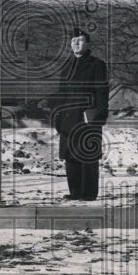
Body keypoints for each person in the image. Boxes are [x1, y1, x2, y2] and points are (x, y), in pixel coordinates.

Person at [49, 28, 109, 201]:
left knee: (87, 155)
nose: (76, 43)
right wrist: (57, 117)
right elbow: (61, 94)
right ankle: (75, 192)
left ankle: (89, 194)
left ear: (88, 44)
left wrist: (98, 116)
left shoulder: (97, 65)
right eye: (74, 40)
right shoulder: (66, 66)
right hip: (68, 117)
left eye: (81, 40)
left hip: (87, 117)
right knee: (70, 156)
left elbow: (101, 92)